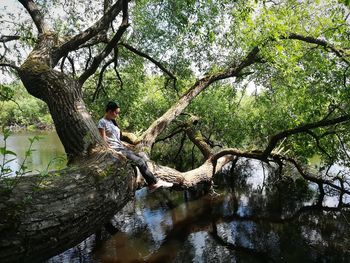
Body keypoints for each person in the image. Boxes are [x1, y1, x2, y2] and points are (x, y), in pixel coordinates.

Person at [98, 101, 173, 191]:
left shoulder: (113, 122)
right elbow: (104, 140)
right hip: (116, 150)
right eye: (116, 113)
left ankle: (151, 182)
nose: (117, 115)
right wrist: (112, 151)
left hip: (121, 148)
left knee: (142, 156)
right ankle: (154, 182)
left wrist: (127, 145)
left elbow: (116, 139)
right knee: (139, 161)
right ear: (110, 111)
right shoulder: (102, 122)